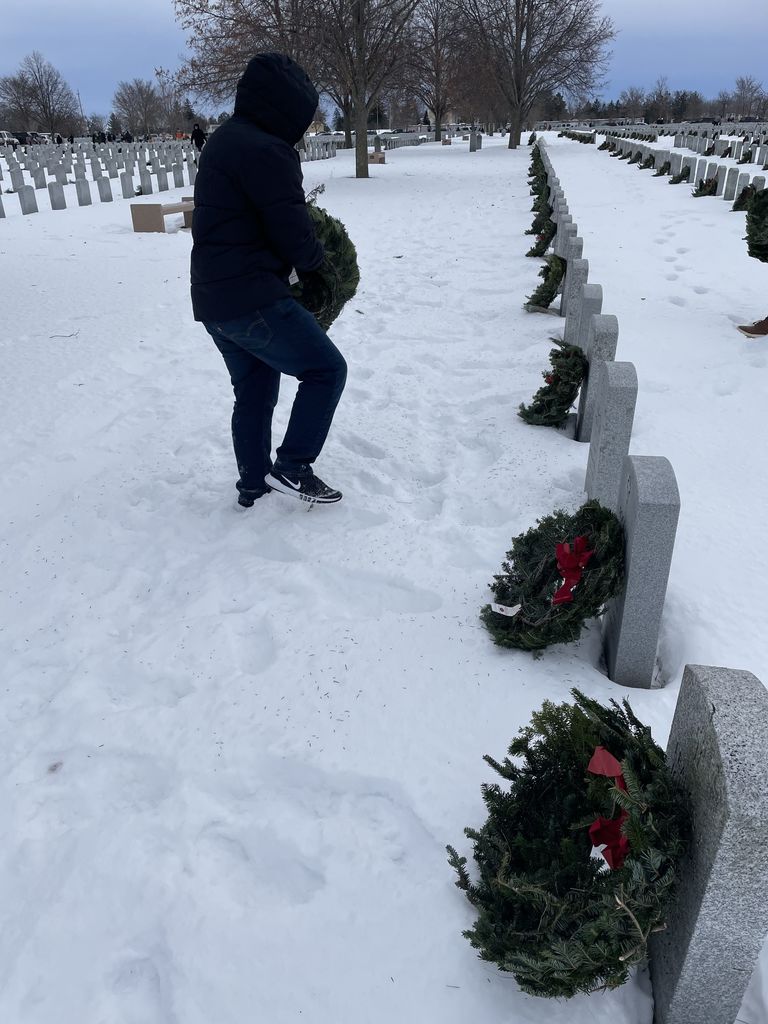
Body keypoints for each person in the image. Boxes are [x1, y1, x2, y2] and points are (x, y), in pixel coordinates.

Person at [191, 52, 347, 507]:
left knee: (255, 392)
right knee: (326, 370)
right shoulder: (268, 150)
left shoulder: (223, 139)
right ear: (287, 108)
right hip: (252, 296)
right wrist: (319, 270)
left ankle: (253, 486)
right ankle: (294, 465)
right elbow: (291, 229)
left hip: (213, 299)